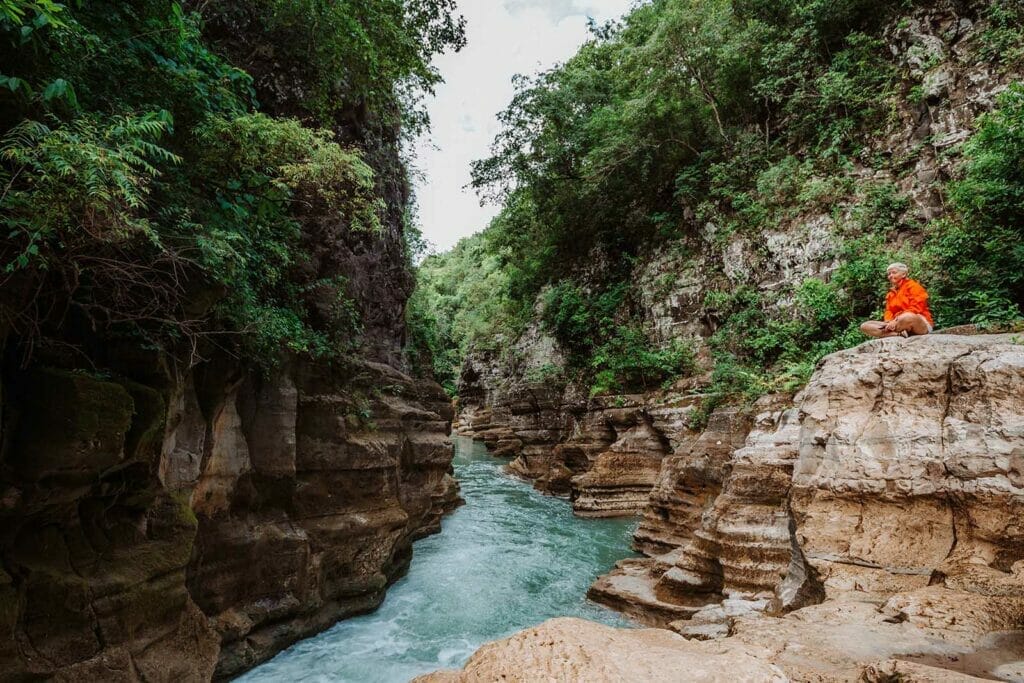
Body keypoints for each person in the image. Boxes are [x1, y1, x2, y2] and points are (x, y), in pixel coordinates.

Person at [860, 262, 934, 338]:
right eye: (889, 274)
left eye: (894, 273)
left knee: (907, 317)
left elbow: (916, 308)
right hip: (897, 324)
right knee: (865, 326)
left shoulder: (914, 286)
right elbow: (889, 311)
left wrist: (896, 320)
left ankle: (893, 333)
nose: (891, 276)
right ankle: (898, 334)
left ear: (904, 274)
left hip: (917, 322)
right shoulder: (890, 294)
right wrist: (889, 322)